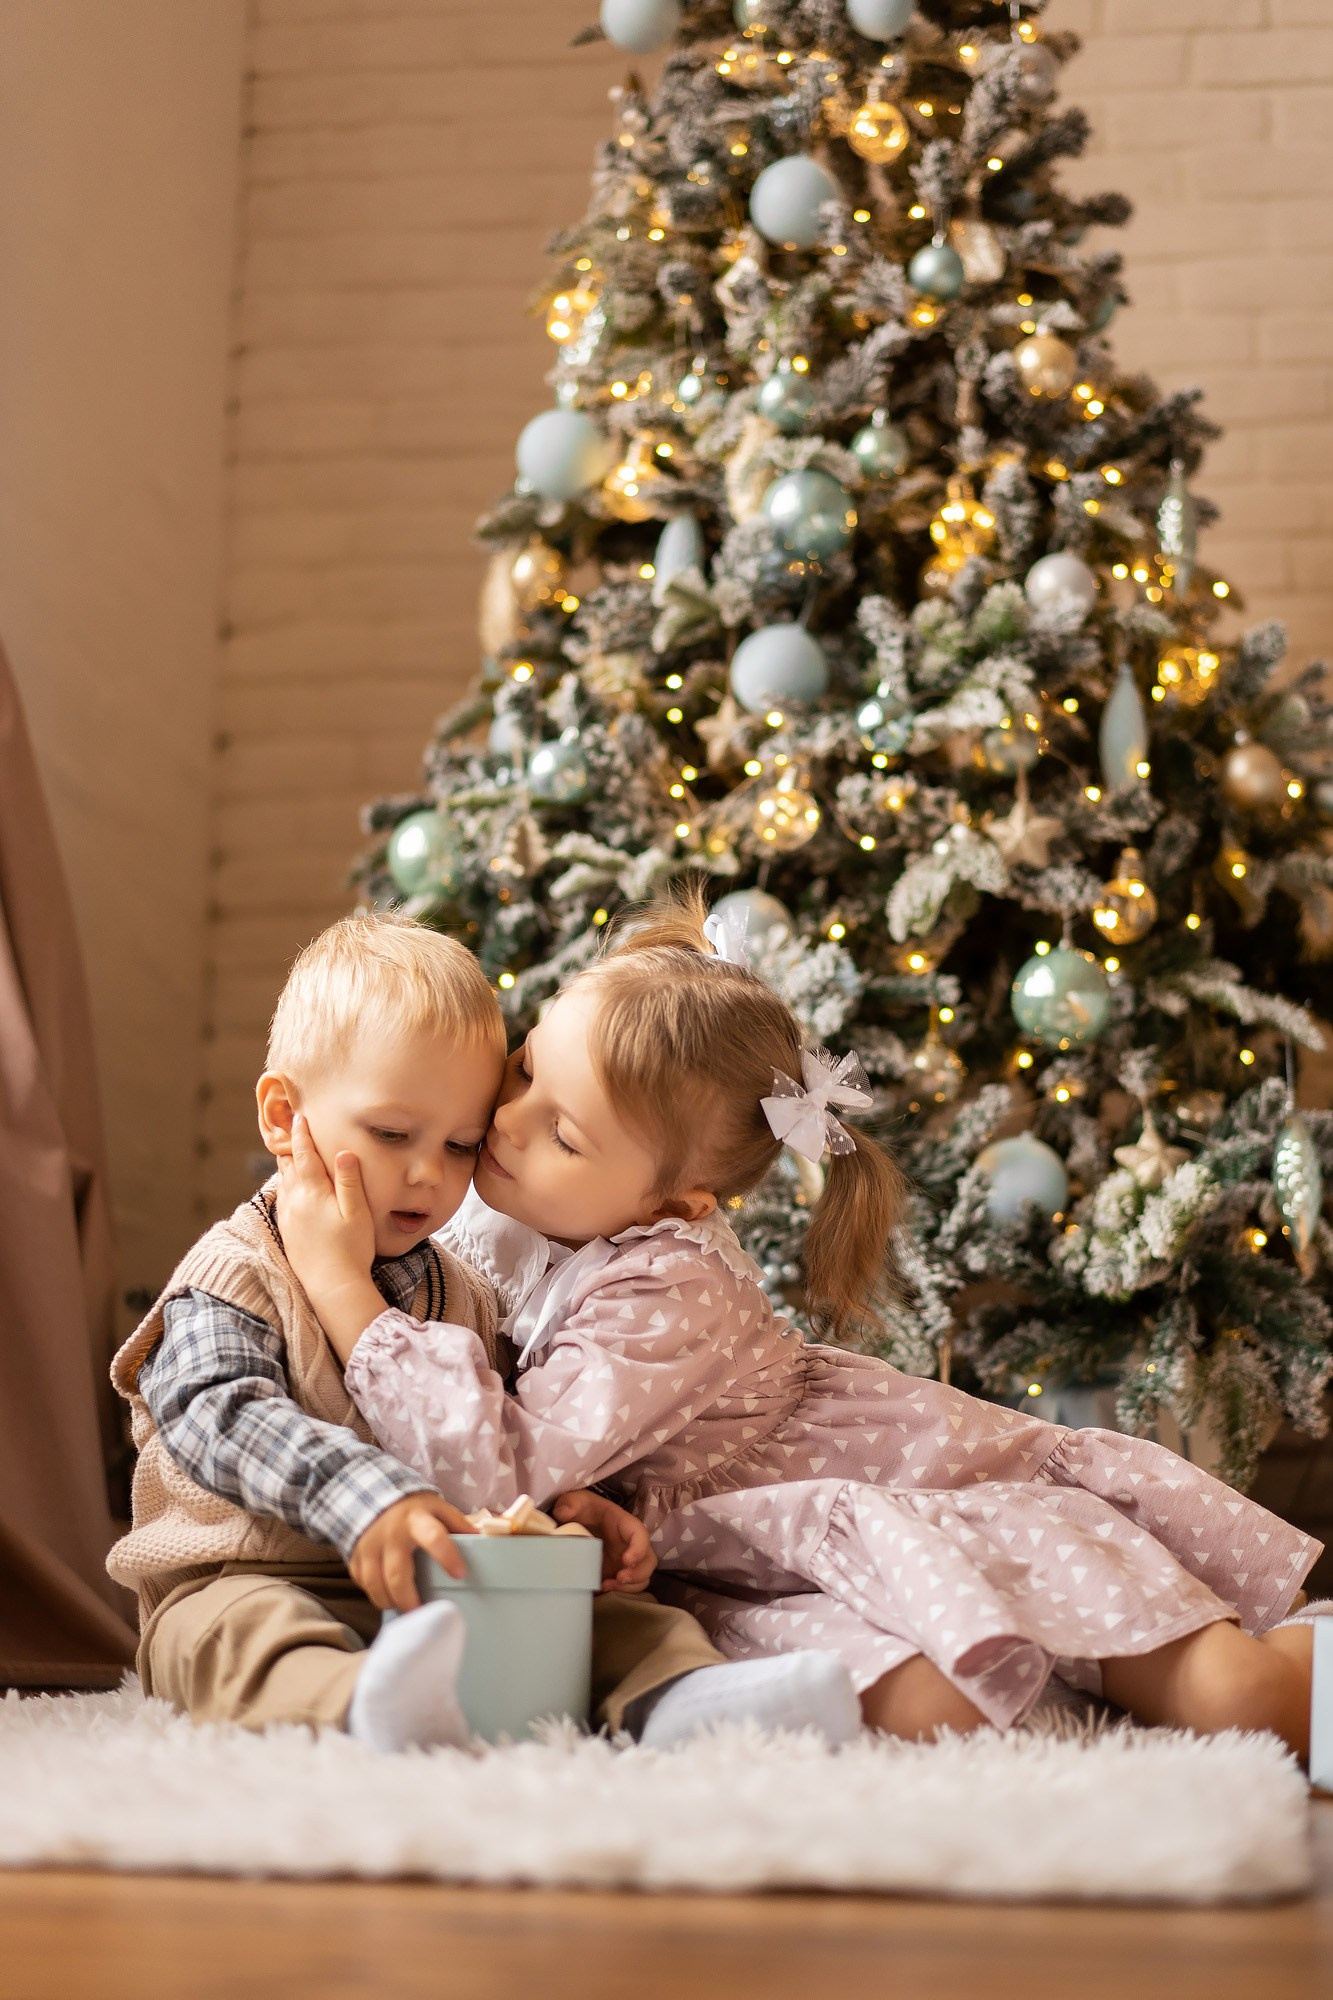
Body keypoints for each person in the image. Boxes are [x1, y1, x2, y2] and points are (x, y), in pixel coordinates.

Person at [279, 892, 1328, 1762]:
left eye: (560, 1129)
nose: (499, 1124)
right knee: (931, 1715)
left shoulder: (668, 1289)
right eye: (522, 1069)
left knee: (1234, 1694)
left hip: (896, 1503)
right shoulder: (515, 1211)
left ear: (676, 1200)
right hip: (747, 1566)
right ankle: (1064, 1691)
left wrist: (345, 1294)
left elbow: (497, 1462)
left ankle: (1293, 1664)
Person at [107, 913, 860, 1753]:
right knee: (234, 1636)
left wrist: (579, 1512)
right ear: (285, 1117)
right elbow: (219, 1417)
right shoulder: (235, 1271)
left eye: (461, 1142)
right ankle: (359, 1704)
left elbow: (494, 1440)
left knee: (607, 1613)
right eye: (392, 1135)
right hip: (244, 1572)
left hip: (427, 1579)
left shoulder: (462, 1287)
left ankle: (687, 1698)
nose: (431, 1174)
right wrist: (367, 1503)